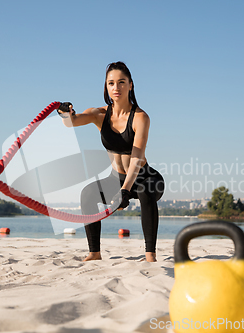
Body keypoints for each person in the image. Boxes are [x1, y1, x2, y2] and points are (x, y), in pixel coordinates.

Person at [57, 61, 164, 262]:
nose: (116, 88)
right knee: (87, 193)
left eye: (122, 82)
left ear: (130, 85)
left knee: (144, 192)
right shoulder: (99, 114)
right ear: (106, 86)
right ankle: (94, 253)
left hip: (145, 177)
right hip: (116, 178)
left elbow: (137, 157)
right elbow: (72, 122)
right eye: (111, 83)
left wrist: (125, 190)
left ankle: (150, 255)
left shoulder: (140, 118)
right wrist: (64, 113)